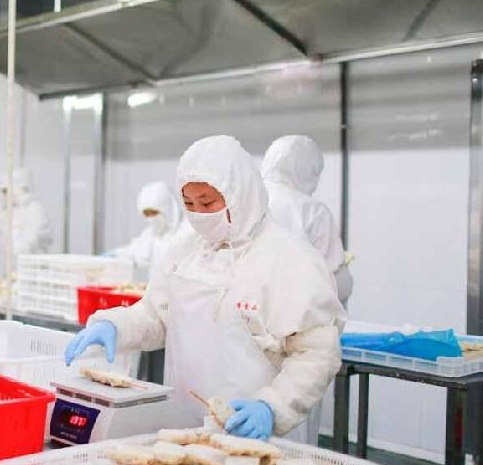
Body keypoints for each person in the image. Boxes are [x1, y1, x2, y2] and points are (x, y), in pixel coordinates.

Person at [64, 135, 345, 443]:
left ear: (239, 194)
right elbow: (155, 316)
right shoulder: (183, 250)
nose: (198, 213)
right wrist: (116, 326)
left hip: (258, 434)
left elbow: (316, 352)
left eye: (208, 203)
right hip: (186, 426)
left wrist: (273, 407)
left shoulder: (289, 259)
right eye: (189, 204)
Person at [261, 135, 353, 303]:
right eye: (315, 173)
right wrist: (342, 264)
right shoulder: (311, 210)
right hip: (294, 311)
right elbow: (338, 286)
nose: (316, 183)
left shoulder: (241, 201)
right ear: (304, 170)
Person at [0, 167, 53, 257]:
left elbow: (24, 247)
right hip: (10, 264)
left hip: (32, 264)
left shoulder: (35, 211)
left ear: (20, 189)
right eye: (3, 192)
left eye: (6, 191)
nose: (4, 195)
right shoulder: (6, 211)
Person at [107, 181, 184, 271]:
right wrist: (115, 255)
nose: (151, 218)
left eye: (154, 212)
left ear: (167, 209)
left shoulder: (184, 233)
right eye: (146, 214)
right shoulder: (151, 234)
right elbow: (135, 252)